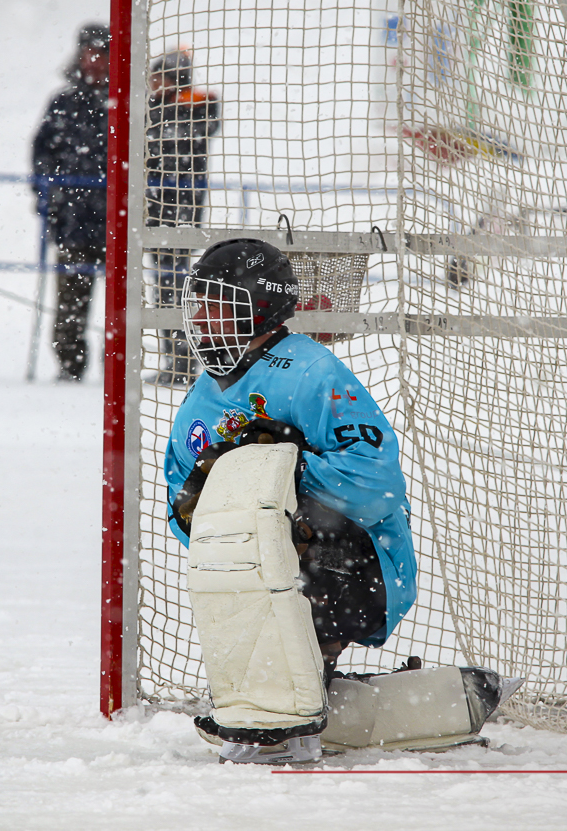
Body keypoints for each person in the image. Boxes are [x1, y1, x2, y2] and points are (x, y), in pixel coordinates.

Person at [161, 238, 421, 763]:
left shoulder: (312, 372)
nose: (199, 317)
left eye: (216, 303)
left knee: (300, 561)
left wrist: (287, 471)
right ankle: (284, 696)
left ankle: (291, 699)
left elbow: (380, 479)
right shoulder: (202, 391)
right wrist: (204, 510)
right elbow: (181, 493)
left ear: (257, 307)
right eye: (197, 303)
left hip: (358, 565)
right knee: (229, 567)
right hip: (268, 569)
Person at [31, 24, 109, 381]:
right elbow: (41, 153)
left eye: (103, 53)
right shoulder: (64, 102)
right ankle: (69, 363)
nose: (96, 61)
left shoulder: (127, 102)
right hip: (74, 220)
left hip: (116, 222)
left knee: (120, 303)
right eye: (90, 52)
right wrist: (50, 195)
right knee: (70, 299)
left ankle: (117, 366)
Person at [144, 49, 220, 384]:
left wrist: (174, 99)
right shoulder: (153, 110)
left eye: (162, 78)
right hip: (155, 211)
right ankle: (174, 361)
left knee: (178, 289)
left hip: (183, 212)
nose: (154, 86)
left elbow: (207, 118)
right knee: (163, 288)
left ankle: (183, 362)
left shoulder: (195, 106)